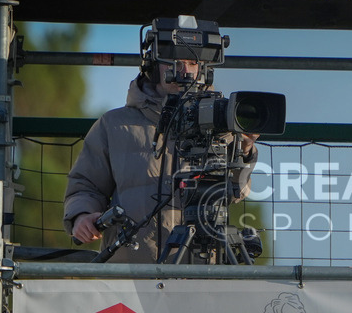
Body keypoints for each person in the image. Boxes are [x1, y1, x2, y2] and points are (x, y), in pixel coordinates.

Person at [63, 17, 259, 263]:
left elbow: (233, 192)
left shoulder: (222, 127)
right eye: (175, 62)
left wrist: (245, 149)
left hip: (198, 271)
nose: (184, 71)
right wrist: (81, 215)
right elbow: (85, 185)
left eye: (192, 62)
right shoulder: (113, 125)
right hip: (130, 270)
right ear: (154, 64)